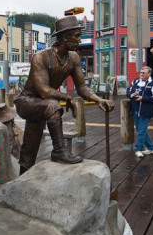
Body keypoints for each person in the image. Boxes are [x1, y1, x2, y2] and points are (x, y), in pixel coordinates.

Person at [14, 16, 114, 175]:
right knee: (52, 105)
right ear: (65, 37)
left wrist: (98, 99)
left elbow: (81, 86)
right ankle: (59, 151)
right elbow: (44, 90)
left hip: (43, 103)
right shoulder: (41, 57)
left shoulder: (73, 58)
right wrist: (68, 98)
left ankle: (21, 181)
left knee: (30, 147)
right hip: (26, 101)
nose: (79, 40)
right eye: (77, 36)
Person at [126, 66, 153, 158]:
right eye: (140, 72)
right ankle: (152, 148)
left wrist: (143, 98)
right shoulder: (135, 81)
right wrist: (131, 94)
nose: (141, 74)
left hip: (145, 110)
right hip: (135, 109)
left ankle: (138, 149)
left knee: (141, 130)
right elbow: (128, 90)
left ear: (149, 74)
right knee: (141, 130)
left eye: (143, 73)